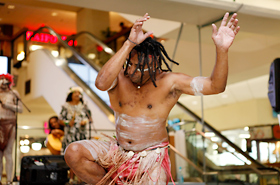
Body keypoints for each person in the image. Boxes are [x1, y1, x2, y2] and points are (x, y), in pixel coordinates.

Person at [64, 12, 240, 185]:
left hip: (151, 158)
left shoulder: (170, 82)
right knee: (73, 152)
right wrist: (129, 43)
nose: (131, 71)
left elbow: (215, 86)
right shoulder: (119, 78)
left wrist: (222, 50)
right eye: (130, 64)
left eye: (139, 67)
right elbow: (101, 83)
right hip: (118, 152)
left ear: (154, 65)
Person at [59, 86, 92, 184]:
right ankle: (71, 177)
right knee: (71, 156)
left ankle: (81, 178)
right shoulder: (66, 106)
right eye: (75, 93)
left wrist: (85, 121)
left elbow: (90, 118)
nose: (77, 95)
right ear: (71, 95)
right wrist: (67, 123)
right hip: (70, 135)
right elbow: (60, 120)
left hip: (81, 135)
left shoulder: (84, 106)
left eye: (79, 93)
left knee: (81, 156)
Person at [0, 73, 23, 185]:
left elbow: (21, 109)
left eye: (5, 80)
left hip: (10, 124)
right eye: (1, 79)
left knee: (8, 153)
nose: (3, 82)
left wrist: (8, 106)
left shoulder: (13, 94)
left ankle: (9, 180)